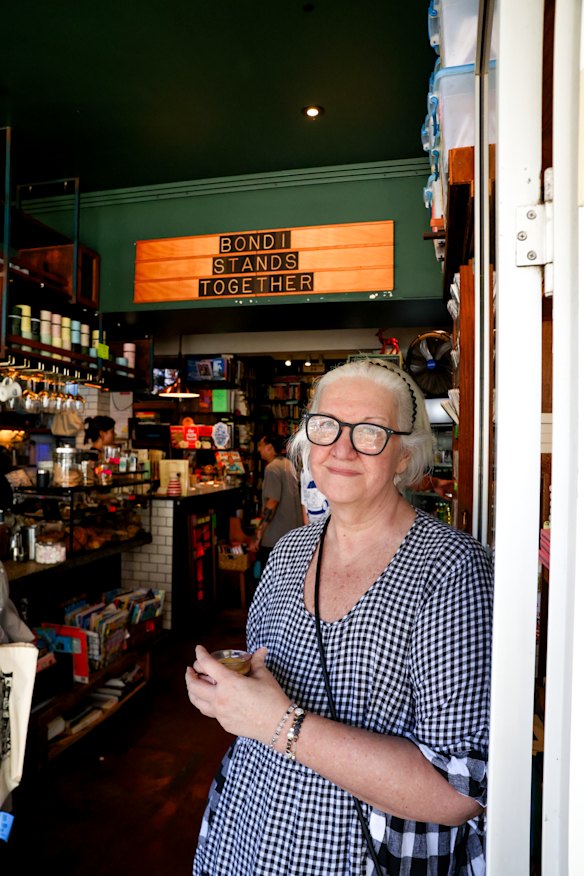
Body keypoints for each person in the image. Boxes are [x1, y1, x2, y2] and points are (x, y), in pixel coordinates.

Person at [186, 359, 493, 875]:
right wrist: (228, 695)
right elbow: (260, 689)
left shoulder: (451, 570)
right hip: (247, 838)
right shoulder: (288, 554)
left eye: (370, 431)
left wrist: (279, 724)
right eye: (326, 426)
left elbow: (458, 792)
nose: (342, 448)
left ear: (404, 455)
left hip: (358, 857)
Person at [251, 432, 302, 567]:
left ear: (269, 447)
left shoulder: (272, 468)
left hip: (275, 537)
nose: (259, 449)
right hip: (293, 536)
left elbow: (272, 502)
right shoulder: (288, 464)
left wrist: (260, 530)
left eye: (261, 445)